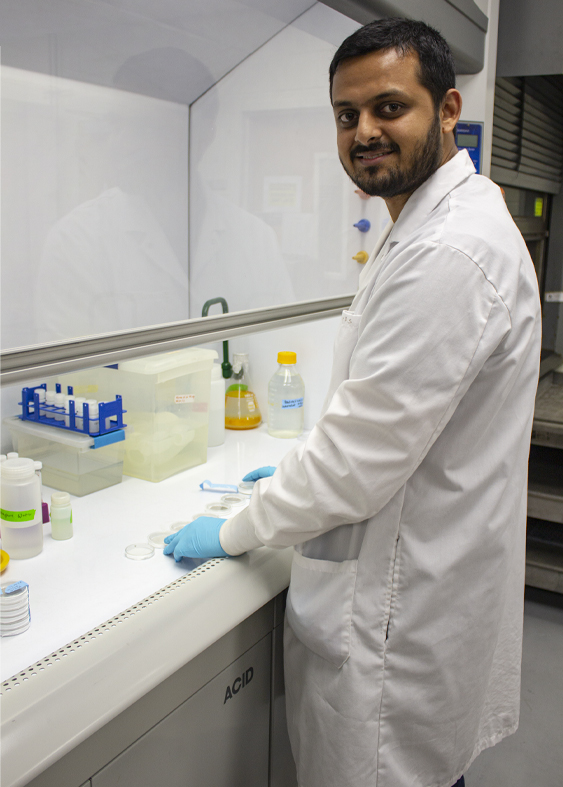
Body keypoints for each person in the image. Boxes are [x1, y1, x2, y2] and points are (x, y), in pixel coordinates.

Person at [164, 18, 541, 787]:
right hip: (420, 581)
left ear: (445, 110)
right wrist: (300, 468)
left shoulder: (446, 252)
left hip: (399, 625)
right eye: (346, 115)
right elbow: (384, 416)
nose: (364, 131)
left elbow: (356, 465)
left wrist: (238, 526)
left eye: (387, 108)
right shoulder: (431, 224)